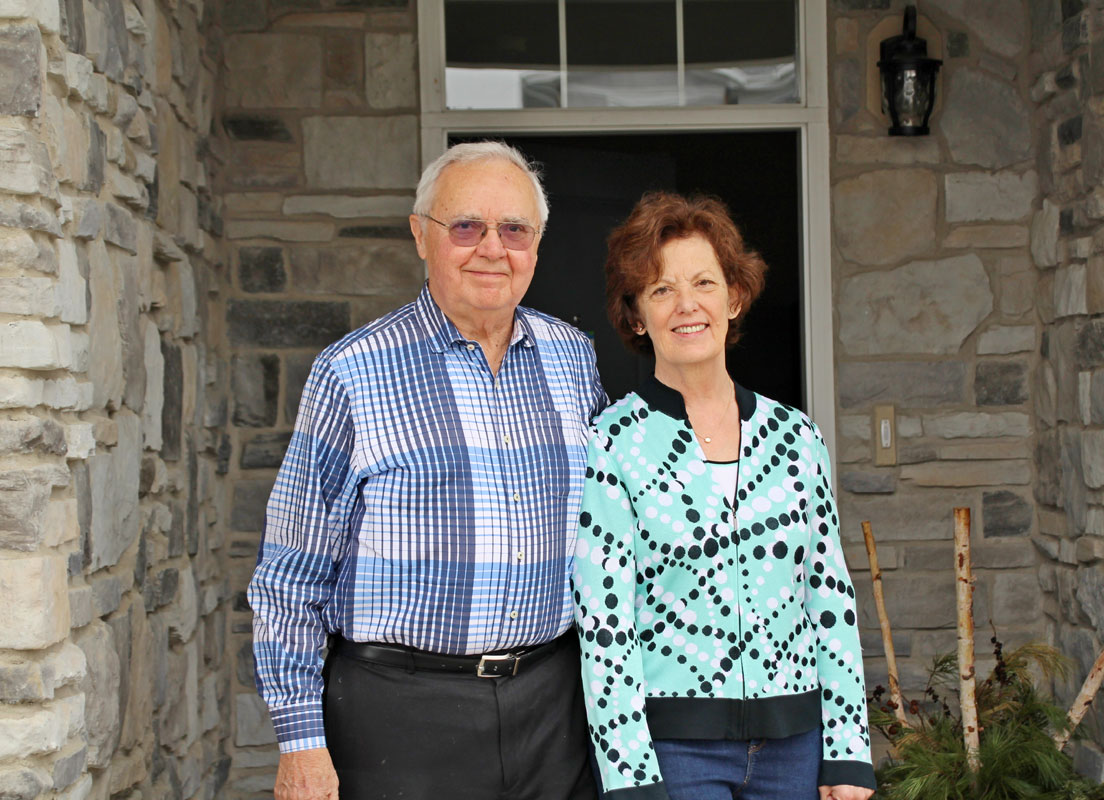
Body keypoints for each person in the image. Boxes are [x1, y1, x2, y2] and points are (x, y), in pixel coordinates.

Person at [249, 141, 607, 800]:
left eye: (515, 230)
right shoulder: (351, 373)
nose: (493, 249)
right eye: (467, 226)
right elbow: (290, 573)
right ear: (421, 235)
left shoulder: (573, 358)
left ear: (538, 244)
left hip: (555, 709)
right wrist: (301, 740)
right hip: (401, 716)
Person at [572, 192, 875, 800]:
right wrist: (629, 775)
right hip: (674, 754)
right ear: (635, 316)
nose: (687, 305)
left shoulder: (796, 437)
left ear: (734, 298)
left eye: (704, 283)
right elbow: (605, 620)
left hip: (797, 746)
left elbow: (831, 598)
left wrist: (848, 753)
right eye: (660, 290)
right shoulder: (615, 442)